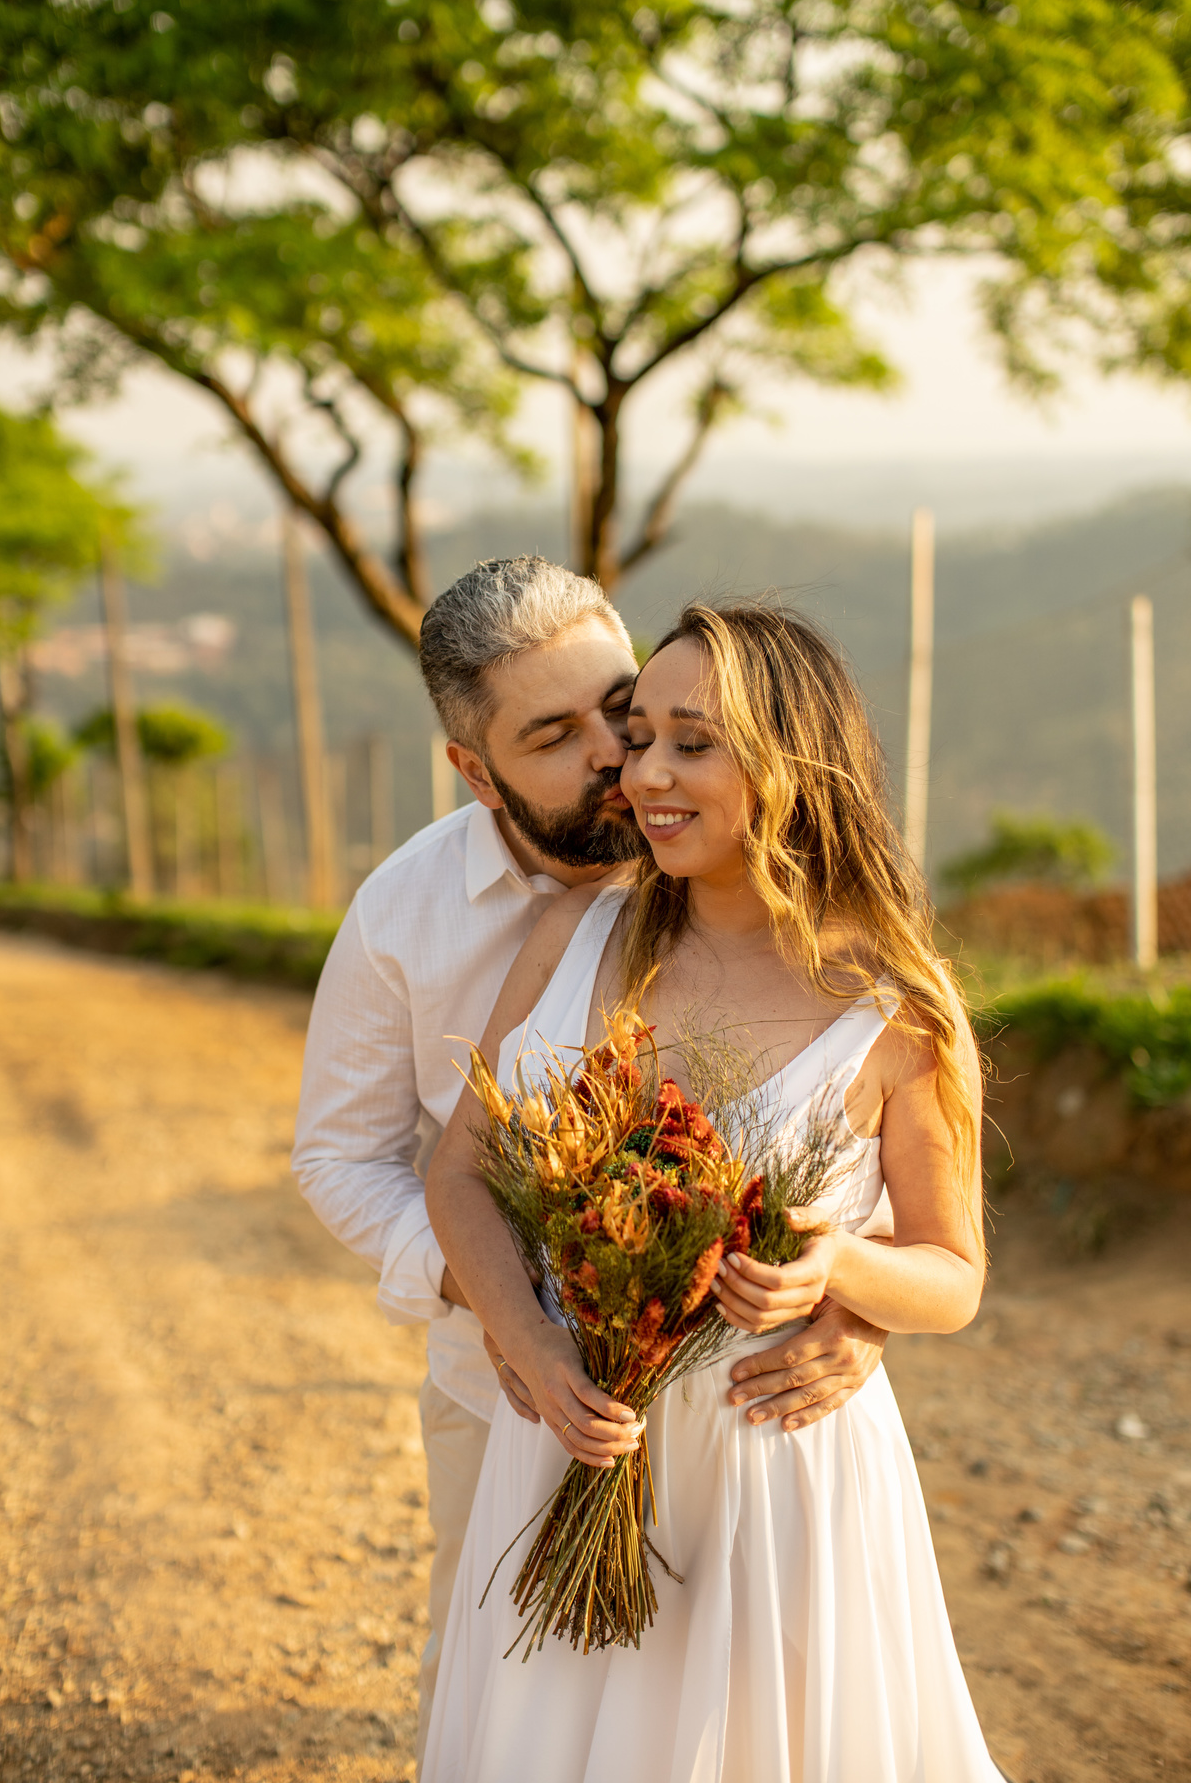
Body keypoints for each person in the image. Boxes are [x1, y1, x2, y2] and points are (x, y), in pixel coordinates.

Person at [291, 562, 890, 1759]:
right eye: (557, 737)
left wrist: (854, 1307)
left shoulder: (720, 852)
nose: (623, 758)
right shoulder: (405, 915)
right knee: (500, 1681)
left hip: (741, 1404)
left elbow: (852, 1110)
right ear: (476, 770)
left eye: (623, 705)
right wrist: (510, 1316)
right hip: (503, 1390)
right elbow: (340, 1156)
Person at [423, 602, 1003, 1782]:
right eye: (641, 739)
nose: (645, 775)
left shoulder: (899, 1004)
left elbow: (954, 1275)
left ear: (792, 761)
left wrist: (836, 1270)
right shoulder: (577, 935)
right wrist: (530, 1341)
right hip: (572, 1448)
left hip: (774, 1482)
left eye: (695, 742)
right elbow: (459, 1178)